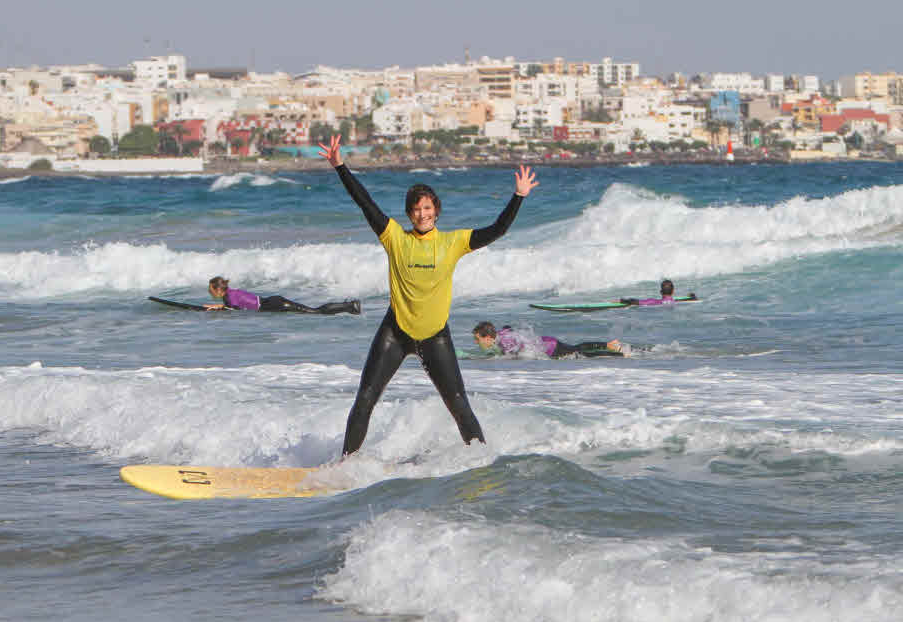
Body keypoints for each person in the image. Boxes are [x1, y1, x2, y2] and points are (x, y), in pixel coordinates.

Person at [319, 134, 538, 456]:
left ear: (436, 210)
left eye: (427, 207)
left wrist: (518, 196)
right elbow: (365, 202)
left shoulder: (453, 243)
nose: (422, 214)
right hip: (395, 332)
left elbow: (497, 230)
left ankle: (481, 463)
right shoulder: (394, 237)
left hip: (435, 337)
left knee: (459, 405)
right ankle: (344, 465)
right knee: (365, 399)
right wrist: (340, 166)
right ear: (409, 214)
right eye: (416, 209)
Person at [205, 276, 360, 314]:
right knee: (314, 312)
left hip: (275, 305)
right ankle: (349, 307)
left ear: (218, 289)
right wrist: (221, 307)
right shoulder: (230, 294)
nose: (209, 291)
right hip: (273, 302)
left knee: (316, 312)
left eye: (210, 289)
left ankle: (350, 306)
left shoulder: (230, 298)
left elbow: (236, 311)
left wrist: (219, 308)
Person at [472, 321, 628, 358]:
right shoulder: (500, 335)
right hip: (547, 342)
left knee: (579, 352)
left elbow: (516, 354)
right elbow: (508, 328)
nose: (476, 342)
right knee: (577, 350)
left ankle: (610, 347)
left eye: (478, 339)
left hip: (550, 348)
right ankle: (610, 348)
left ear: (488, 337)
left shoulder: (504, 342)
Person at [620, 279, 695, 306]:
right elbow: (691, 299)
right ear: (673, 291)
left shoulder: (655, 302)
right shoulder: (675, 301)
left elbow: (636, 302)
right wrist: (692, 296)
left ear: (660, 292)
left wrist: (624, 300)